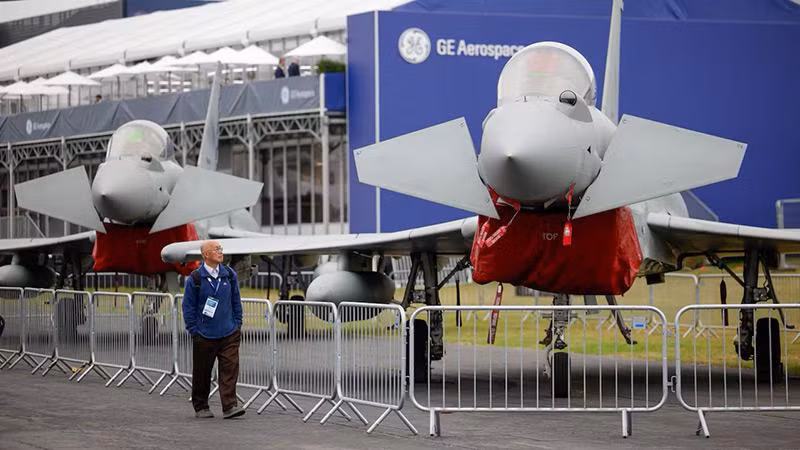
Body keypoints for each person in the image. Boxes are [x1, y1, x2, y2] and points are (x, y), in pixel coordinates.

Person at [182, 240, 245, 419]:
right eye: (216, 249)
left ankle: (230, 406)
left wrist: (237, 324)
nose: (220, 252)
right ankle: (201, 406)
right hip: (204, 334)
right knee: (202, 372)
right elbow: (188, 307)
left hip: (229, 332)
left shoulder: (229, 275)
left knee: (230, 369)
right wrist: (194, 329)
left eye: (221, 249)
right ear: (206, 255)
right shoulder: (195, 278)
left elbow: (236, 301)